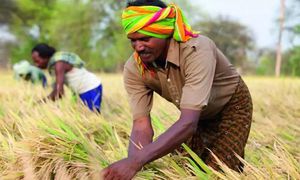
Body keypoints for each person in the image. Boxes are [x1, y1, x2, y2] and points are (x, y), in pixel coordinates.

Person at [101, 0, 253, 179]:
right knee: (180, 168)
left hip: (230, 108)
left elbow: (188, 123)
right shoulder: (135, 68)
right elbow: (141, 125)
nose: (138, 47)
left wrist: (135, 162)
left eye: (145, 38)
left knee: (217, 172)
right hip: (195, 115)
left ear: (165, 33)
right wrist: (133, 165)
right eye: (133, 40)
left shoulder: (197, 50)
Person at [31, 43, 102, 112]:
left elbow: (59, 93)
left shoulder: (59, 64)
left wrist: (41, 103)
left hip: (90, 88)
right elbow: (56, 91)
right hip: (79, 91)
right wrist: (41, 103)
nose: (36, 65)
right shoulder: (54, 65)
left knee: (92, 115)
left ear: (46, 57)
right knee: (82, 115)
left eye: (37, 61)